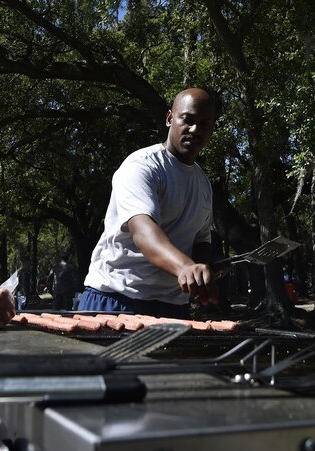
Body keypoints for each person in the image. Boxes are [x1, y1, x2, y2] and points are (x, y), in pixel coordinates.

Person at [77, 88, 219, 319]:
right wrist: (185, 267)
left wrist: (203, 273)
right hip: (116, 299)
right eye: (188, 119)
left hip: (172, 308)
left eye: (205, 124)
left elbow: (201, 240)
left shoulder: (203, 184)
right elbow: (143, 232)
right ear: (170, 118)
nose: (195, 129)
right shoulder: (142, 166)